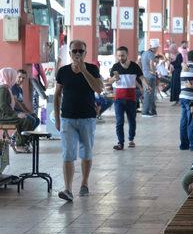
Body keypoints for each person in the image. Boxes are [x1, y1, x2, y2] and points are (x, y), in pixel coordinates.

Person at [54, 40, 104, 201]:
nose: (77, 54)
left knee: (86, 153)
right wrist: (56, 117)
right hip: (67, 118)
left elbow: (98, 88)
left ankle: (84, 183)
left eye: (80, 51)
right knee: (68, 154)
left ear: (85, 53)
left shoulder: (92, 69)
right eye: (74, 51)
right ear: (69, 53)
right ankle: (68, 189)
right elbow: (57, 95)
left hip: (87, 118)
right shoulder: (63, 71)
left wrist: (84, 71)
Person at [107, 46, 150, 150]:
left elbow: (141, 78)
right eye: (118, 56)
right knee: (119, 121)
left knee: (132, 120)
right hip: (119, 99)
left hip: (131, 98)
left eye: (122, 55)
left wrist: (146, 85)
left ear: (127, 55)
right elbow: (109, 81)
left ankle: (131, 139)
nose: (120, 58)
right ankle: (120, 143)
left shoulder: (134, 66)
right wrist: (114, 78)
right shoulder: (115, 67)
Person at [0, 68, 34, 153]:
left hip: (6, 115)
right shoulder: (3, 88)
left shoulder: (6, 87)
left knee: (27, 118)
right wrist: (16, 115)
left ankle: (23, 142)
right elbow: (3, 106)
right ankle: (20, 145)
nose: (15, 78)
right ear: (8, 76)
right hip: (3, 116)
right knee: (25, 120)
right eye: (14, 76)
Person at [179, 50, 193, 151]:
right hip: (191, 98)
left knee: (184, 121)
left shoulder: (184, 68)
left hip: (183, 97)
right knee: (192, 121)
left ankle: (184, 145)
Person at [140, 43, 159, 116]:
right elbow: (151, 64)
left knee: (149, 94)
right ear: (154, 48)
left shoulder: (144, 53)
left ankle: (152, 111)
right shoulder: (151, 54)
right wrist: (153, 72)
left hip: (145, 76)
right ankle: (145, 112)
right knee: (149, 94)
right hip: (150, 77)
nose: (157, 49)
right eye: (157, 48)